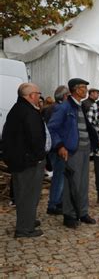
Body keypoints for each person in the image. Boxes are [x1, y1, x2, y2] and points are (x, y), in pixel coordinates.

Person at [48, 78, 98, 229]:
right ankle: (69, 215)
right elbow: (52, 128)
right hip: (72, 150)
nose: (85, 90)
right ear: (75, 90)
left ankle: (82, 212)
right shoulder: (64, 107)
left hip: (84, 149)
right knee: (71, 183)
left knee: (83, 183)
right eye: (83, 87)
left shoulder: (80, 106)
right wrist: (60, 146)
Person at [3, 83, 49, 238]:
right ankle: (24, 228)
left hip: (22, 160)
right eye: (37, 93)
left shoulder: (19, 109)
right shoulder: (27, 112)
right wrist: (39, 156)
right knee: (28, 194)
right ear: (30, 96)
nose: (39, 96)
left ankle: (27, 220)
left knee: (26, 194)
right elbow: (35, 138)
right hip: (28, 161)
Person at [45, 85, 70, 215]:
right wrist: (60, 145)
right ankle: (53, 204)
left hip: (56, 147)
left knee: (60, 176)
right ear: (65, 96)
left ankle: (58, 200)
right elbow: (54, 129)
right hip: (58, 148)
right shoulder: (57, 109)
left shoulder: (51, 108)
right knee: (59, 177)